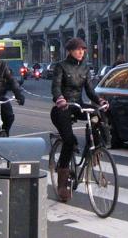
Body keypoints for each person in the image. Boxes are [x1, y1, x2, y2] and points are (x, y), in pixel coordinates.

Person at [51, 37, 108, 202]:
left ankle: (95, 149)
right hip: (62, 108)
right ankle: (62, 183)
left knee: (98, 115)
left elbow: (90, 91)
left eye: (83, 49)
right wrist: (59, 98)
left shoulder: (85, 67)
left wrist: (100, 101)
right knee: (68, 140)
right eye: (78, 49)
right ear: (70, 51)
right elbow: (55, 86)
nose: (81, 52)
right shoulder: (60, 66)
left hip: (78, 105)